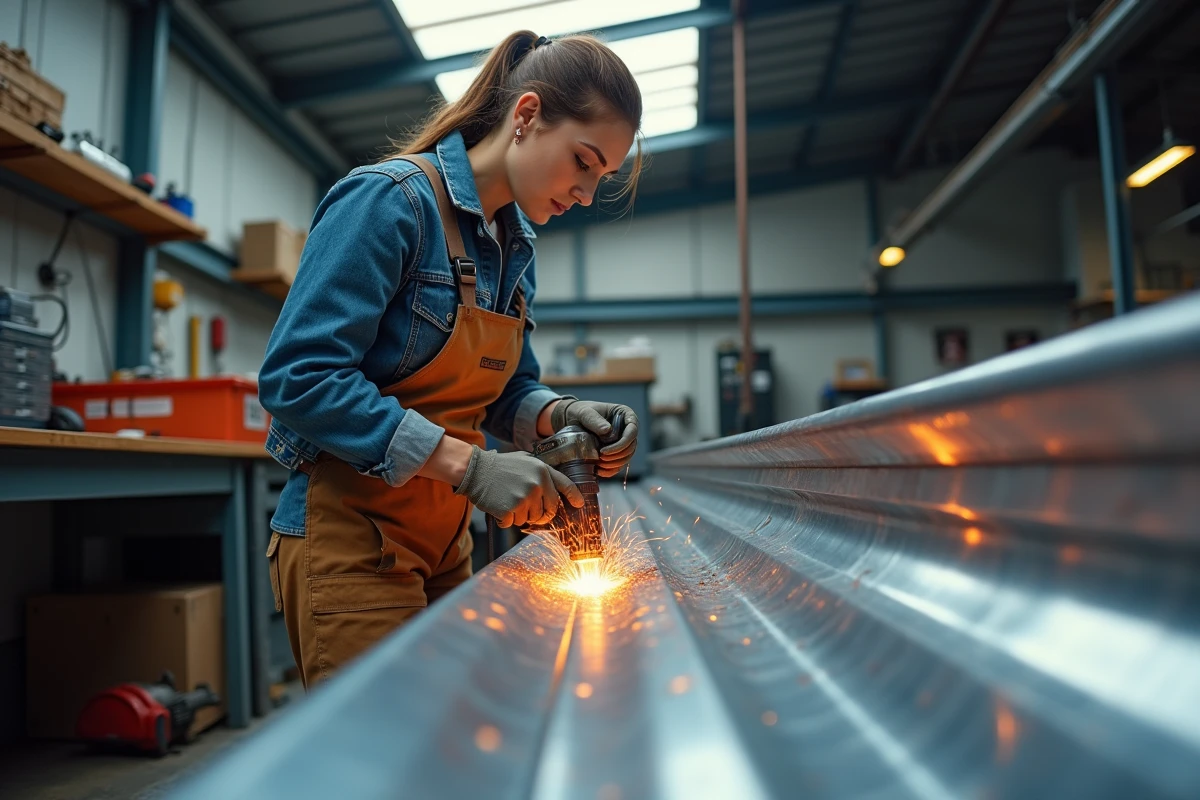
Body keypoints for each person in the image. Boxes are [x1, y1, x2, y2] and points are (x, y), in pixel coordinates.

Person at [257, 30, 643, 688]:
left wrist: (560, 411)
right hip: (352, 541)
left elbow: (500, 390)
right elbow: (299, 378)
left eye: (600, 179)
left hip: (444, 544)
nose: (584, 193)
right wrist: (470, 467)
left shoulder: (513, 247)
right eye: (583, 161)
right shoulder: (389, 202)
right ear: (525, 116)